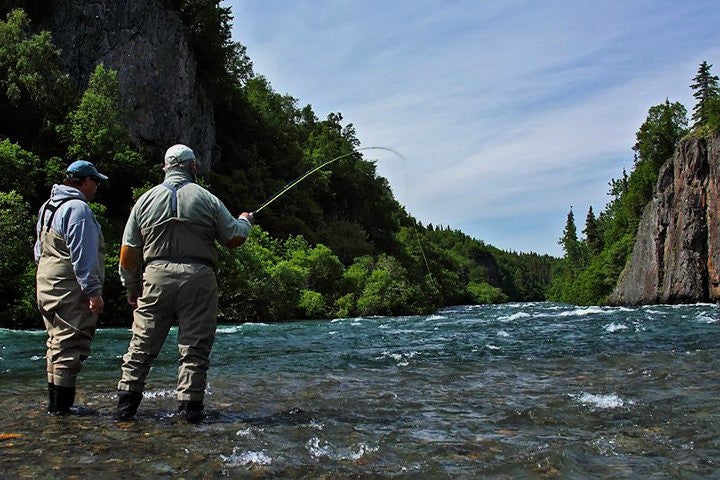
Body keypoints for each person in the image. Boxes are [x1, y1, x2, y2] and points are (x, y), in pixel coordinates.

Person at [116, 144, 253, 422]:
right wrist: (246, 221)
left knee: (141, 347)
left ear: (165, 168)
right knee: (194, 350)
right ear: (193, 167)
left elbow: (128, 253)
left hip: (155, 278)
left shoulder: (144, 201)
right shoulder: (208, 198)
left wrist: (132, 289)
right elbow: (233, 239)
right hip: (198, 278)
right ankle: (189, 414)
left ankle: (124, 412)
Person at [35, 160, 107, 415]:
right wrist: (93, 292)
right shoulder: (78, 209)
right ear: (85, 181)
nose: (97, 187)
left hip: (45, 283)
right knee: (72, 345)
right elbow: (83, 254)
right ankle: (62, 410)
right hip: (69, 288)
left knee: (56, 343)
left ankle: (55, 408)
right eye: (95, 181)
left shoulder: (49, 206)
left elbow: (39, 250)